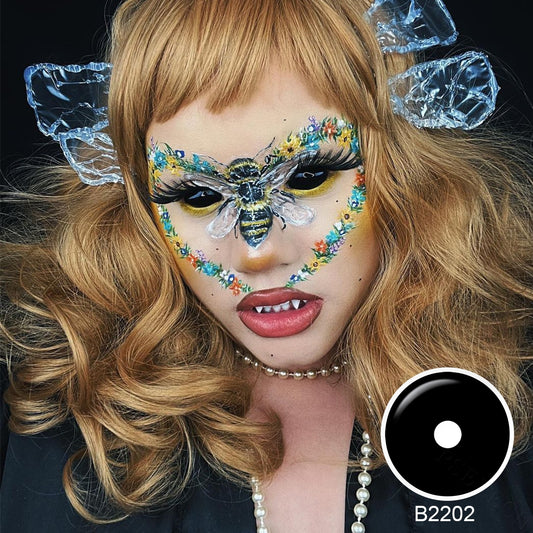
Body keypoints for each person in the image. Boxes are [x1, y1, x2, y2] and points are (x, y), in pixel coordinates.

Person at [1, 1, 532, 532]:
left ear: (401, 170)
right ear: (140, 207)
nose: (257, 253)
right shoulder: (80, 422)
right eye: (198, 196)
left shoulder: (515, 384)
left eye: (307, 177)